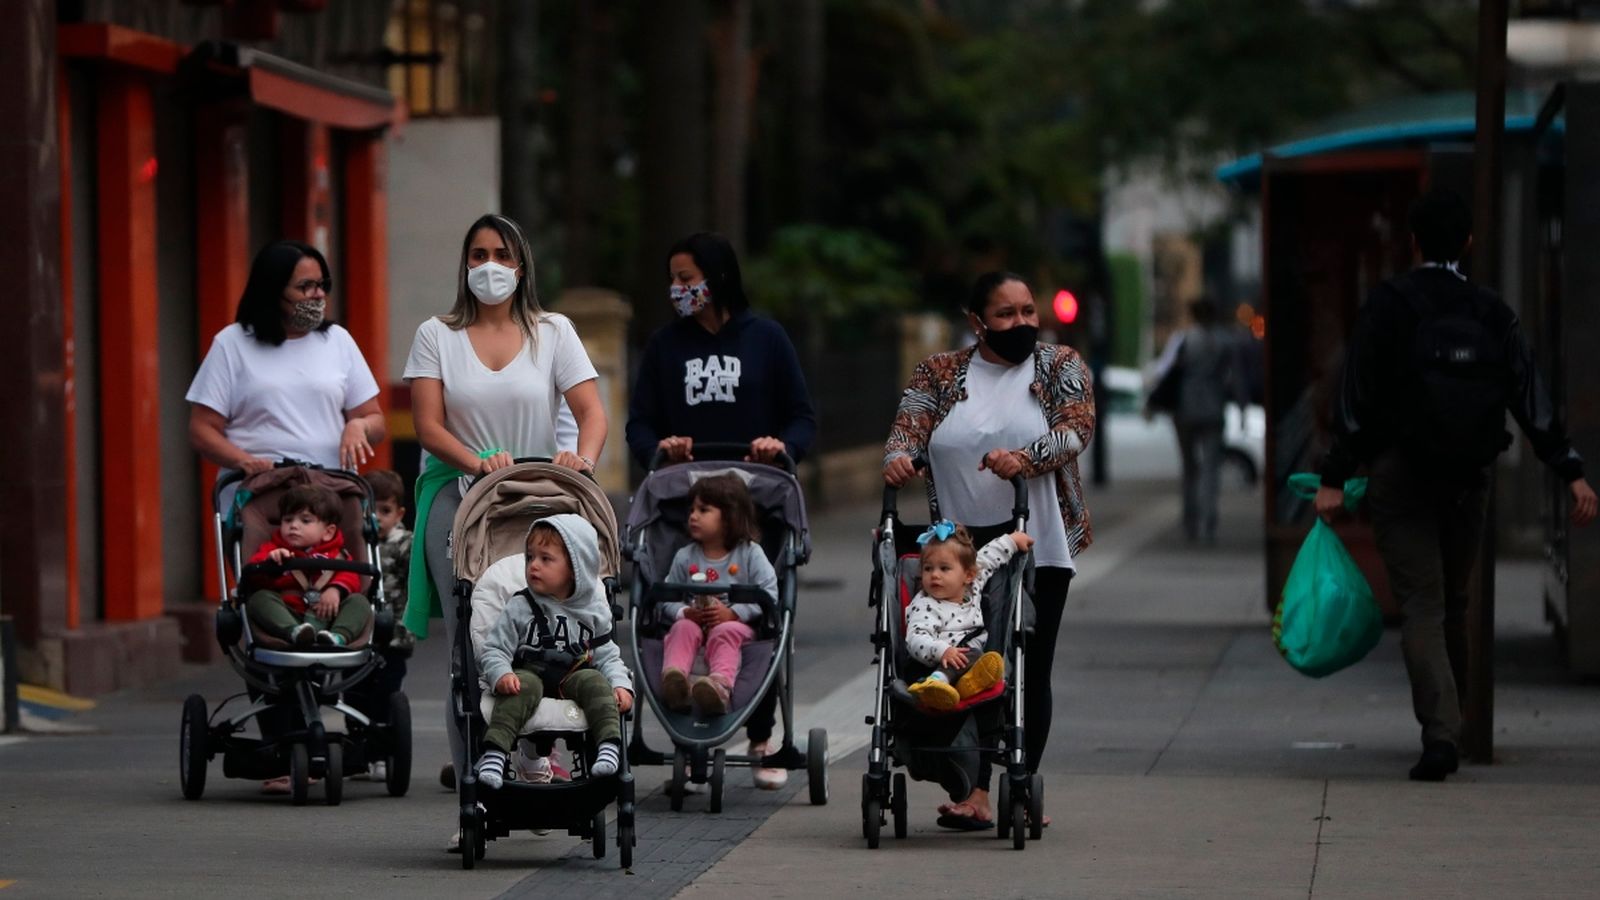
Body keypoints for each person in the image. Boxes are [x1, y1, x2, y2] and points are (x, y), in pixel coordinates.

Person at [1314, 187, 1598, 782]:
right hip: (1470, 476)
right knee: (1457, 604)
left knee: (1422, 603)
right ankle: (1459, 723)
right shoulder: (1491, 311)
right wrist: (1569, 469)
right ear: (1467, 242)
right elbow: (1528, 394)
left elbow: (1357, 397)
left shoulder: (1389, 304)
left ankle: (1440, 734)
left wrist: (1335, 476)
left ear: (1413, 241)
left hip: (1400, 472)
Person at [401, 213, 606, 848]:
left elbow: (591, 411)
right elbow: (429, 425)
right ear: (465, 265)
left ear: (522, 266)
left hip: (538, 501)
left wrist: (583, 462)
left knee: (542, 632)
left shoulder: (554, 332)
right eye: (478, 254)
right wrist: (478, 464)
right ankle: (475, 796)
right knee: (473, 644)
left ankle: (545, 757)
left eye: (503, 254)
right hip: (461, 499)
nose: (490, 265)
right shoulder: (436, 334)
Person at [884, 271, 1095, 829]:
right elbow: (906, 431)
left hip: (1037, 540)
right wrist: (899, 460)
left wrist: (1024, 458)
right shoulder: (939, 372)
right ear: (976, 321)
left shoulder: (1059, 365)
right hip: (955, 552)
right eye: (1006, 314)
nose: (1022, 323)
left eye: (1028, 311)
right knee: (965, 660)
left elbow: (1077, 429)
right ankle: (966, 778)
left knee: (1029, 665)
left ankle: (1007, 787)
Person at [625, 231, 816, 789]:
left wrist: (781, 448)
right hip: (689, 496)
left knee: (757, 605)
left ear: (718, 278)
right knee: (681, 611)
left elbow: (802, 415)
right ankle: (685, 724)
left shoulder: (767, 340)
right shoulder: (666, 346)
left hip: (756, 499)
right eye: (674, 280)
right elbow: (640, 421)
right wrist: (660, 450)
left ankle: (761, 733)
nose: (678, 290)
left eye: (688, 279)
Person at [187, 240, 386, 479]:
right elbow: (202, 429)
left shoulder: (338, 340)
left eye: (322, 285)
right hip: (257, 491)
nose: (319, 294)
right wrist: (245, 462)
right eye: (306, 286)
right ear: (273, 291)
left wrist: (359, 426)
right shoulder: (232, 343)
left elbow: (374, 418)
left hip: (328, 492)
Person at [471, 515, 634, 789]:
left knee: (595, 682)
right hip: (528, 672)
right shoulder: (520, 606)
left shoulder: (592, 609)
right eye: (530, 557)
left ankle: (609, 745)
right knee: (521, 686)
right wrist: (501, 673)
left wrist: (621, 685)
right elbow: (495, 648)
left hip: (573, 675)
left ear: (575, 568)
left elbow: (606, 654)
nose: (533, 565)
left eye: (545, 559)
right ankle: (496, 754)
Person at [658, 473, 779, 716]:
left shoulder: (749, 554)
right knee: (681, 628)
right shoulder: (685, 556)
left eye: (703, 510)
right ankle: (675, 682)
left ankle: (719, 687)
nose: (693, 516)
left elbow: (769, 592)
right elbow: (666, 596)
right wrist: (684, 612)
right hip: (695, 625)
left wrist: (734, 613)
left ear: (729, 517)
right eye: (692, 509)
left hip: (735, 627)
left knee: (725, 631)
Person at [1147, 296, 1246, 544]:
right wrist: (1242, 408)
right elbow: (1236, 379)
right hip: (1213, 408)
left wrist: (1153, 400)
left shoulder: (1183, 339)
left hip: (1185, 409)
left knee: (1190, 467)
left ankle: (1190, 519)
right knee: (1211, 468)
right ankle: (1209, 520)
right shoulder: (1225, 341)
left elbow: (1164, 370)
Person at [903, 521, 1029, 712]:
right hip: (931, 665)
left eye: (944, 569)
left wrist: (1011, 541)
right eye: (928, 568)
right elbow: (916, 638)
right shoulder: (925, 604)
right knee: (972, 655)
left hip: (967, 663)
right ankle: (938, 682)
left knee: (986, 660)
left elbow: (987, 558)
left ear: (968, 575)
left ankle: (964, 686)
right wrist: (942, 650)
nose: (934, 575)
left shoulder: (973, 588)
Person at [243, 484, 373, 648]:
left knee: (360, 602)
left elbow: (351, 577)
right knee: (258, 599)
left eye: (305, 520)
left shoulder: (338, 554)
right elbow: (254, 576)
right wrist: (270, 562)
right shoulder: (273, 549)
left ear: (328, 532)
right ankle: (293, 632)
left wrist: (336, 590)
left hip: (330, 615)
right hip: (288, 612)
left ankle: (339, 636)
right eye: (288, 519)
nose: (294, 525)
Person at [367, 469, 414, 650]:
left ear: (399, 515)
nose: (376, 517)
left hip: (396, 633)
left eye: (385, 511)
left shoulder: (404, 543)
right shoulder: (355, 543)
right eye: (370, 509)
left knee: (391, 676)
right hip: (362, 635)